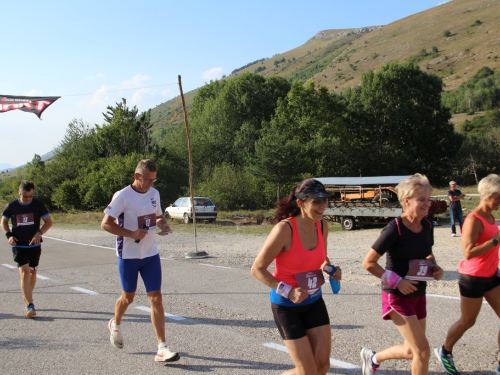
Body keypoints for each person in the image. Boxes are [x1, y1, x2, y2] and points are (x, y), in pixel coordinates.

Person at [251, 178, 341, 375]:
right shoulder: (285, 230)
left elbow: (322, 259)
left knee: (322, 367)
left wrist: (331, 269)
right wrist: (288, 291)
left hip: (314, 301)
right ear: (300, 203)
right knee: (307, 371)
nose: (322, 206)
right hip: (287, 307)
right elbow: (257, 269)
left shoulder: (322, 226)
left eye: (325, 201)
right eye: (316, 201)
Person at [360, 173, 444, 375]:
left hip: (418, 293)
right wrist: (397, 282)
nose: (427, 204)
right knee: (422, 351)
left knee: (411, 350)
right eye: (421, 200)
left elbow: (427, 253)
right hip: (396, 295)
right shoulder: (394, 229)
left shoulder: (427, 225)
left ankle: (372, 358)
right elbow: (368, 263)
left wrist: (435, 266)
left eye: (428, 199)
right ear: (407, 201)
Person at [101, 159, 179, 363]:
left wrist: (164, 226)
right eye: (148, 180)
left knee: (156, 298)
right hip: (128, 256)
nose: (151, 184)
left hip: (150, 254)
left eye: (154, 180)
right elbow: (106, 224)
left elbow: (159, 216)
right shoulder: (122, 196)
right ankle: (115, 324)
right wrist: (130, 232)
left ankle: (162, 347)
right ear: (137, 177)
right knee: (128, 298)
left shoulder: (154, 194)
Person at [434, 174, 500, 375]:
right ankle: (444, 351)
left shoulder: (491, 216)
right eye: (499, 197)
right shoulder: (474, 219)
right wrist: (496, 241)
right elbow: (468, 252)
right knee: (468, 321)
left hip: (491, 274)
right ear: (487, 196)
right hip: (473, 278)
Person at [1, 181, 52, 318]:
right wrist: (9, 235)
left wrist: (39, 233)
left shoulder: (38, 204)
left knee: (33, 273)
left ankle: (27, 296)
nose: (28, 198)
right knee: (25, 272)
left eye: (30, 196)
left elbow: (49, 222)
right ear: (19, 192)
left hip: (34, 245)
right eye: (25, 196)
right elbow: (3, 221)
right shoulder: (12, 206)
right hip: (18, 245)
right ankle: (30, 304)